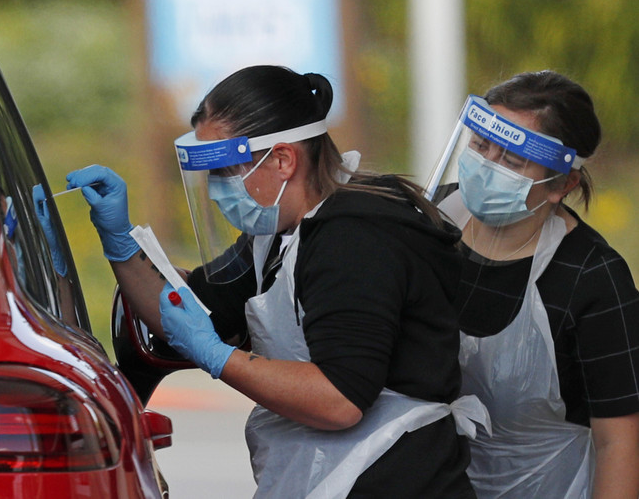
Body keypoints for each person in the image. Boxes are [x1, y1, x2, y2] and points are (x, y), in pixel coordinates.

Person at [67, 65, 488, 498]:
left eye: (226, 171)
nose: (215, 190)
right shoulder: (277, 231)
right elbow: (187, 313)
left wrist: (218, 357)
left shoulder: (356, 238)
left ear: (284, 159)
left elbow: (339, 400)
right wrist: (119, 242)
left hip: (398, 477)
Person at [426, 70, 639, 498]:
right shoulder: (428, 223)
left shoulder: (593, 279)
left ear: (562, 184)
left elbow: (619, 441)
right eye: (481, 147)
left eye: (512, 160)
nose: (487, 167)